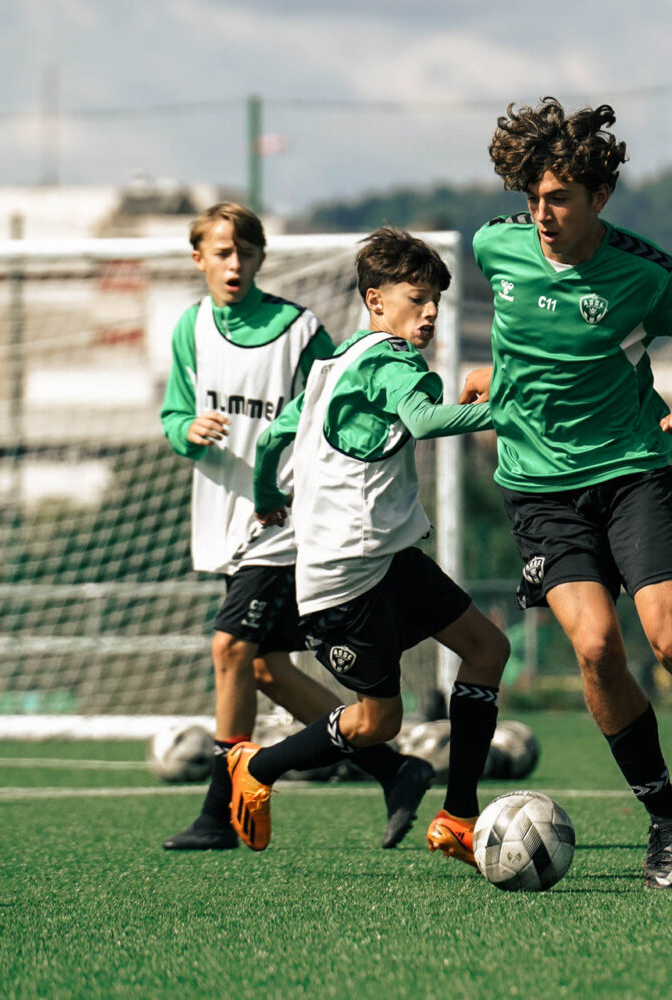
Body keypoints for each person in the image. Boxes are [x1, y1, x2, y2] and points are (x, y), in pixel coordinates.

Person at [461, 97, 672, 889]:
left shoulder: (650, 274)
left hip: (632, 474)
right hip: (539, 492)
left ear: (600, 196)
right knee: (595, 649)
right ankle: (663, 814)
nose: (542, 215)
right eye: (533, 199)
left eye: (559, 199)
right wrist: (486, 374)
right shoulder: (493, 247)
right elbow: (519, 338)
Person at [225, 227, 509, 863]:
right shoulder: (393, 361)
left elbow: (272, 440)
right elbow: (425, 421)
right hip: (343, 579)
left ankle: (459, 817)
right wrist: (513, 405)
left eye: (436, 300)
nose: (430, 312)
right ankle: (257, 766)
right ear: (375, 300)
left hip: (385, 558)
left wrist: (269, 496)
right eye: (417, 298)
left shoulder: (336, 364)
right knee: (378, 722)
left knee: (487, 649)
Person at [159, 204, 433, 852]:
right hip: (225, 518)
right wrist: (187, 429)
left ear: (261, 259)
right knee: (265, 670)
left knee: (230, 649)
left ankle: (222, 808)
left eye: (245, 252)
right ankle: (392, 768)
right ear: (198, 259)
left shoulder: (298, 329)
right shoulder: (190, 328)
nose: (234, 263)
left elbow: (335, 398)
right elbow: (173, 415)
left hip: (283, 517)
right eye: (221, 252)